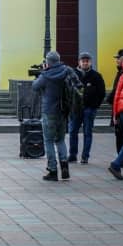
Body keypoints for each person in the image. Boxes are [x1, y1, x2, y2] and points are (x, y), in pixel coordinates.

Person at [31, 51, 75, 181]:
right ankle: (64, 165)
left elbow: (35, 86)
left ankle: (53, 170)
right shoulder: (67, 70)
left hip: (49, 111)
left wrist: (42, 72)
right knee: (60, 140)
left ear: (48, 61)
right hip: (63, 111)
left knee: (49, 140)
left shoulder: (46, 75)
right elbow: (77, 83)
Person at [67, 52, 106, 164]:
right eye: (83, 61)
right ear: (79, 62)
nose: (85, 63)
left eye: (87, 61)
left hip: (90, 109)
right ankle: (73, 155)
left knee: (87, 132)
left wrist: (95, 105)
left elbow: (102, 92)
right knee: (73, 131)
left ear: (90, 62)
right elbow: (67, 90)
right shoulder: (73, 74)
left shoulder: (96, 76)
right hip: (75, 109)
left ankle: (85, 156)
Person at [106, 48, 123, 165]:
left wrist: (110, 99)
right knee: (121, 135)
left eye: (118, 59)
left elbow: (118, 91)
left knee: (122, 135)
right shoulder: (121, 71)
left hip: (122, 109)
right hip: (119, 108)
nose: (116, 61)